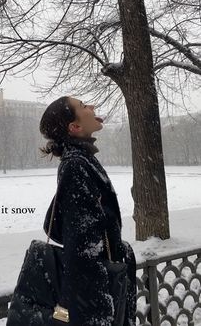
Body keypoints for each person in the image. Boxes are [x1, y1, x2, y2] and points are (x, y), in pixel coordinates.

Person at [40, 96, 137, 326]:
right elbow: (82, 251)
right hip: (97, 303)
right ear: (75, 127)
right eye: (83, 106)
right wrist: (101, 314)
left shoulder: (82, 161)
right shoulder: (76, 166)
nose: (92, 106)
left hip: (101, 293)